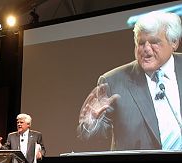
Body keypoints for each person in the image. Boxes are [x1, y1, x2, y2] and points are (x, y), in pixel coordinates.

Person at [77, 10, 182, 151]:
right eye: (141, 43)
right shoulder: (113, 82)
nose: (146, 49)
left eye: (154, 42)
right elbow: (93, 140)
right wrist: (92, 124)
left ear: (174, 42)